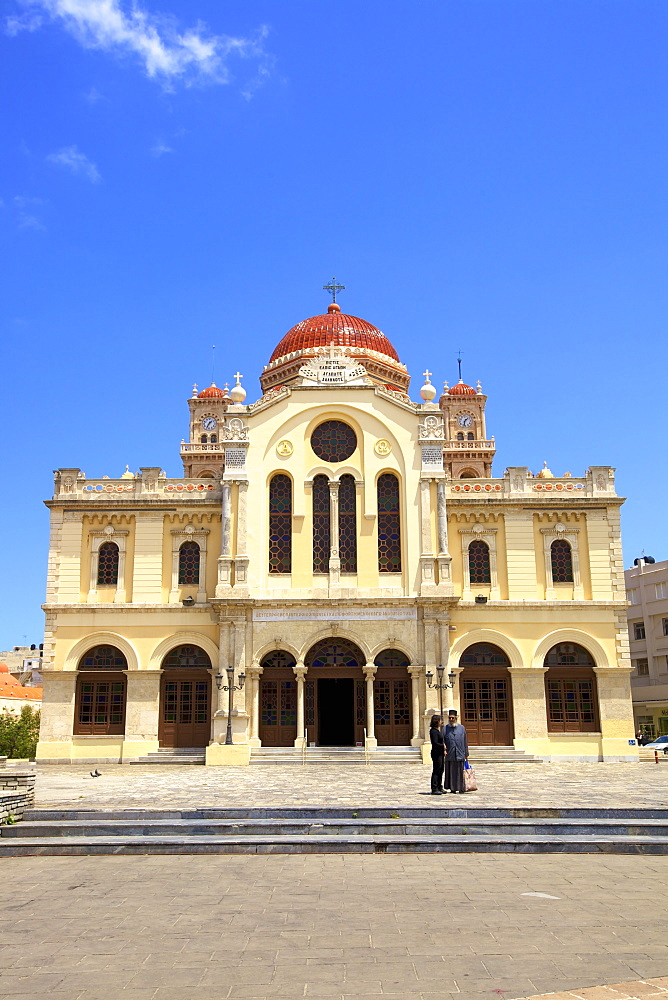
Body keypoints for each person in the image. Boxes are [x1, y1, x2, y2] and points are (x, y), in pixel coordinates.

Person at [443, 709, 469, 793]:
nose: (451, 720)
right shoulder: (445, 728)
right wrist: (444, 749)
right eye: (450, 718)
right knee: (451, 772)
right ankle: (452, 788)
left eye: (452, 718)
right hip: (450, 753)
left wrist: (466, 753)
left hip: (460, 752)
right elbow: (442, 741)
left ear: (456, 718)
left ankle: (461, 787)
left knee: (460, 771)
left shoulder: (462, 728)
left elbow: (465, 741)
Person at [429, 714, 445, 794]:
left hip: (440, 753)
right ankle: (434, 788)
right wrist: (444, 746)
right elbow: (435, 743)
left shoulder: (437, 730)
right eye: (440, 720)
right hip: (436, 753)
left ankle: (439, 786)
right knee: (436, 770)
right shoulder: (433, 731)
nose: (441, 722)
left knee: (441, 770)